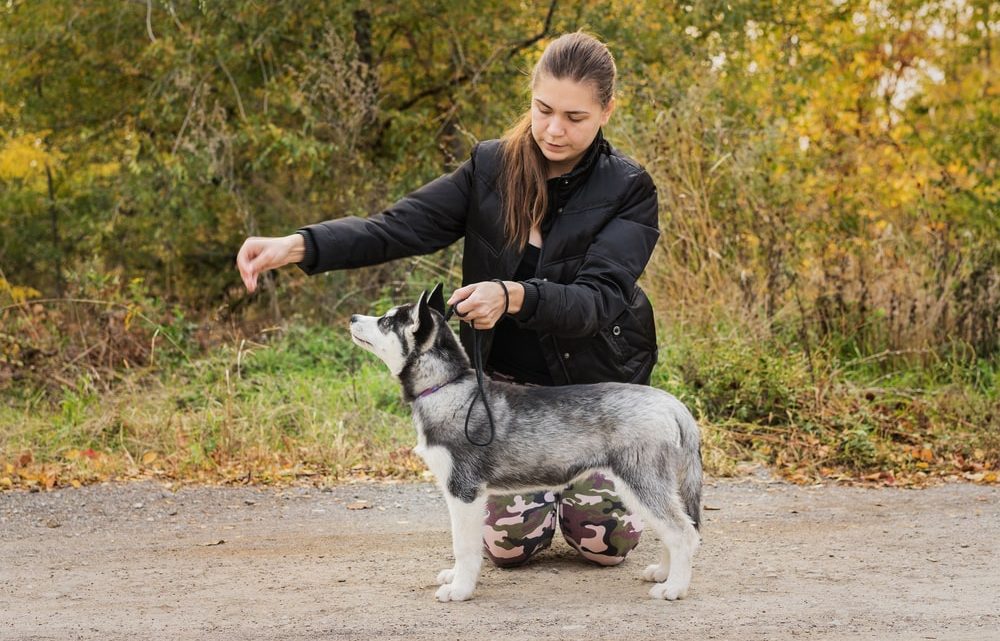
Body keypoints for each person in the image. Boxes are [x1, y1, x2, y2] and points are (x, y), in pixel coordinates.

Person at [237, 32, 659, 568]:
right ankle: (540, 502)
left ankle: (582, 501)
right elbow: (394, 228)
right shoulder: (489, 168)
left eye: (575, 117)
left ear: (607, 111)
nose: (554, 129)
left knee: (604, 543)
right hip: (506, 400)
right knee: (510, 547)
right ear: (530, 98)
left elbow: (597, 300)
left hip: (593, 400)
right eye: (543, 109)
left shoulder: (629, 189)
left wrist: (513, 296)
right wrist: (299, 245)